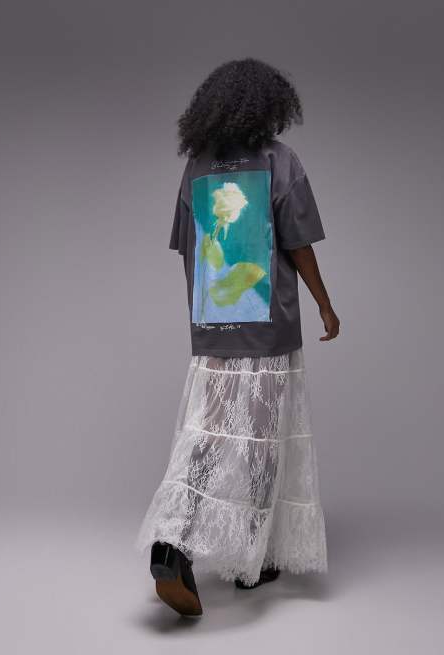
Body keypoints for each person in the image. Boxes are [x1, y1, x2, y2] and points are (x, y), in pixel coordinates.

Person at [134, 58, 340, 617]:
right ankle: (253, 560)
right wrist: (324, 304)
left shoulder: (196, 167)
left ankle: (172, 543)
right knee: (262, 441)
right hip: (268, 328)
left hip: (213, 327)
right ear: (269, 105)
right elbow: (298, 244)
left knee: (206, 435)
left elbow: (187, 245)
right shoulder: (280, 160)